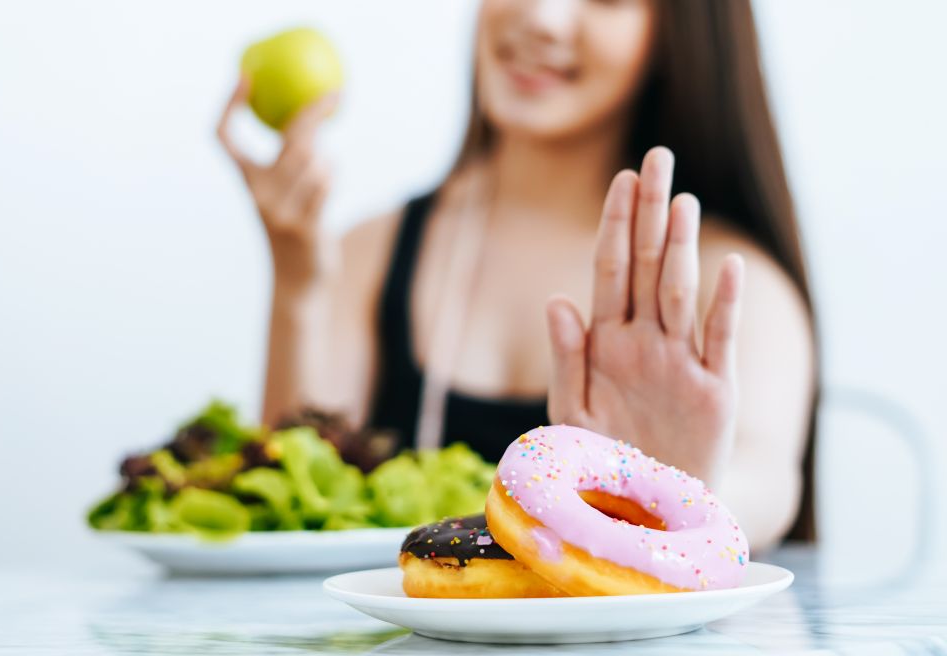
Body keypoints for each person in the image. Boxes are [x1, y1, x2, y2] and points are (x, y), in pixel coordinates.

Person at [216, 0, 816, 551]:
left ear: (678, 36)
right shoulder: (371, 250)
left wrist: (675, 492)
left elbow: (766, 486)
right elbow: (294, 497)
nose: (543, 18)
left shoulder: (731, 282)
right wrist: (297, 291)